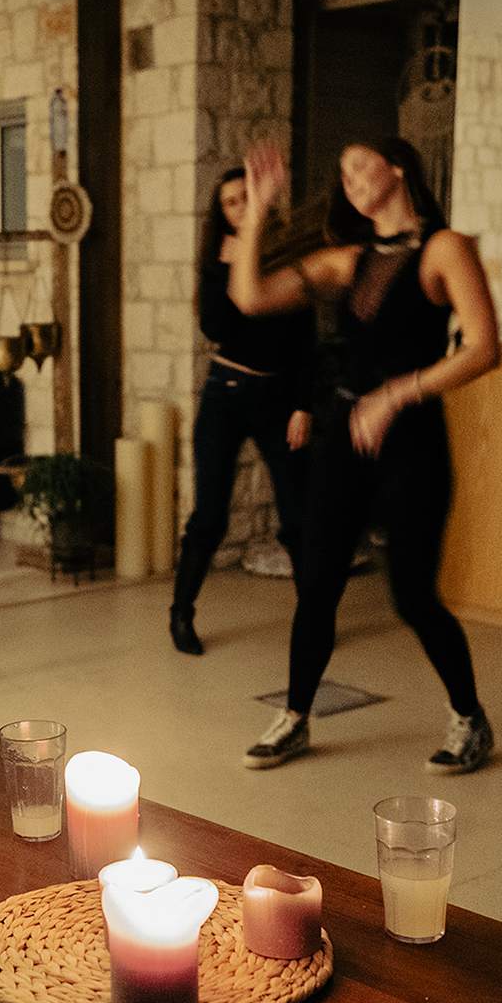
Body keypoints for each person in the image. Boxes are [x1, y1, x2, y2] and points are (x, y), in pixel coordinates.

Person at [226, 138, 502, 772]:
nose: (346, 176)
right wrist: (260, 211)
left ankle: (469, 718)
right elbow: (251, 295)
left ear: (398, 167)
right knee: (316, 584)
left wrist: (396, 394)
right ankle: (295, 716)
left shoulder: (444, 249)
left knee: (412, 595)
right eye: (340, 167)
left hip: (411, 438)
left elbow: (485, 348)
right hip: (344, 437)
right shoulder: (350, 260)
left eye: (358, 163)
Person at [169, 166, 317, 656]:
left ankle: (315, 619)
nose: (238, 207)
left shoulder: (294, 258)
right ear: (223, 213)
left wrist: (303, 405)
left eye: (245, 198)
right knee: (209, 517)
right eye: (230, 202)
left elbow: (305, 341)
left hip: (279, 402)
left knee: (297, 516)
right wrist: (235, 268)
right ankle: (181, 613)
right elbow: (218, 328)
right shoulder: (219, 261)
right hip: (225, 397)